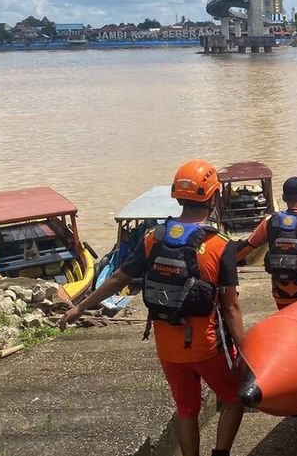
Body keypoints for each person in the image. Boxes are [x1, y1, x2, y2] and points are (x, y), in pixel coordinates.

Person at [60, 160, 245, 456]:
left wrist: (79, 308)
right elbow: (231, 306)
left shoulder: (152, 238)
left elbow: (119, 278)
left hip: (168, 347)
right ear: (212, 197)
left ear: (178, 197)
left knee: (186, 409)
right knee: (235, 398)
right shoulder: (220, 245)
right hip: (207, 346)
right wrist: (246, 351)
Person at [237, 176, 297, 309]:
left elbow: (246, 248)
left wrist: (224, 262)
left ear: (283, 198)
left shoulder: (270, 221)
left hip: (280, 293)